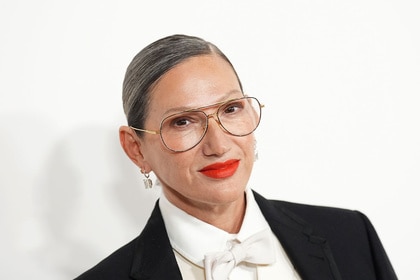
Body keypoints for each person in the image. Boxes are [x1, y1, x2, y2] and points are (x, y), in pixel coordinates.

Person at [75, 34, 397, 280]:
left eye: (231, 109)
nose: (218, 144)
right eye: (182, 121)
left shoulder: (351, 234)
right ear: (136, 149)